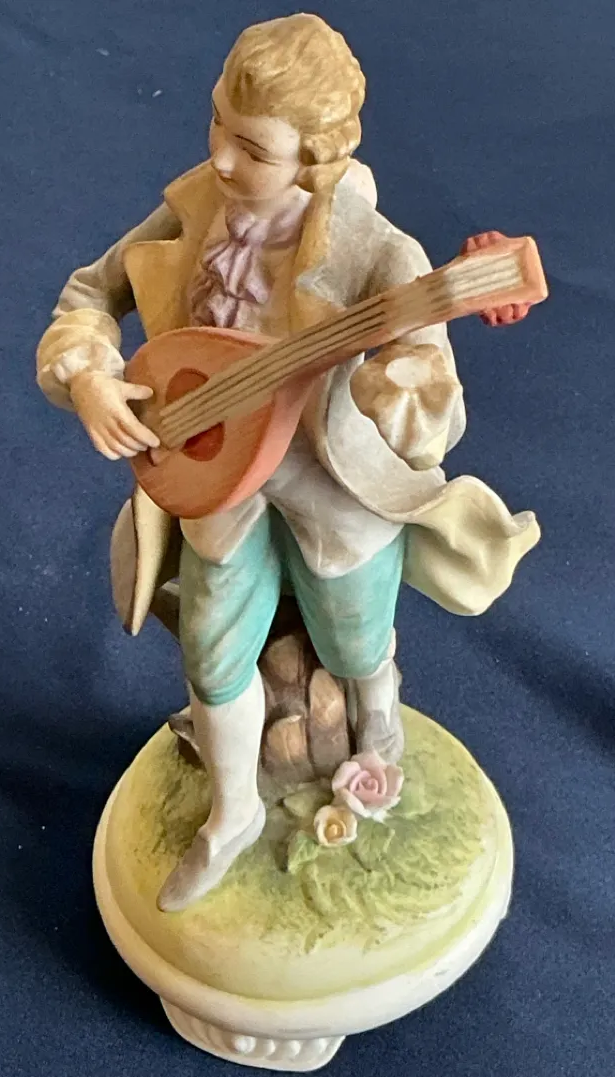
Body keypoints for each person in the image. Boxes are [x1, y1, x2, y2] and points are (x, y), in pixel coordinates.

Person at [36, 14, 540, 911]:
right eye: (217, 123)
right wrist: (88, 377)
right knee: (211, 648)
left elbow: (432, 398)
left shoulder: (379, 251)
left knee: (353, 635)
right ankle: (233, 812)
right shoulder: (197, 205)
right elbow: (90, 292)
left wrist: (393, 385)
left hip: (331, 485)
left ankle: (377, 735)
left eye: (255, 150)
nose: (223, 160)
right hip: (214, 472)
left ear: (317, 158)